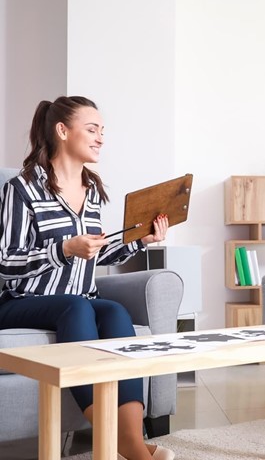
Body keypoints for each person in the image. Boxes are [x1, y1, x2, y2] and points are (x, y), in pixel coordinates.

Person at [0, 96, 175, 460]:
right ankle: (115, 440)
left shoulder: (91, 188)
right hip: (22, 302)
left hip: (79, 298)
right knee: (77, 307)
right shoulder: (22, 188)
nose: (100, 138)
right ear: (62, 131)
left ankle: (129, 439)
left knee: (113, 312)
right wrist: (63, 249)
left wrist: (140, 241)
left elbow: (95, 252)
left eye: (102, 131)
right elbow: (7, 263)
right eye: (92, 129)